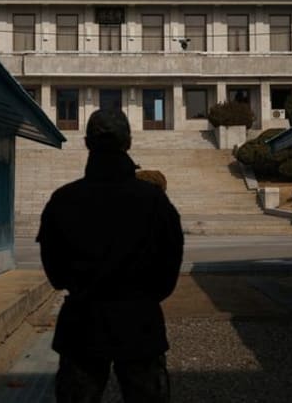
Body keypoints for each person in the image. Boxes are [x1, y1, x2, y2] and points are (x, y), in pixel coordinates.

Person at [37, 108, 184, 403]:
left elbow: (55, 272)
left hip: (82, 321)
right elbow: (169, 264)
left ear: (86, 143)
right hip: (140, 320)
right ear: (128, 142)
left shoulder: (63, 199)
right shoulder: (154, 200)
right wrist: (145, 296)